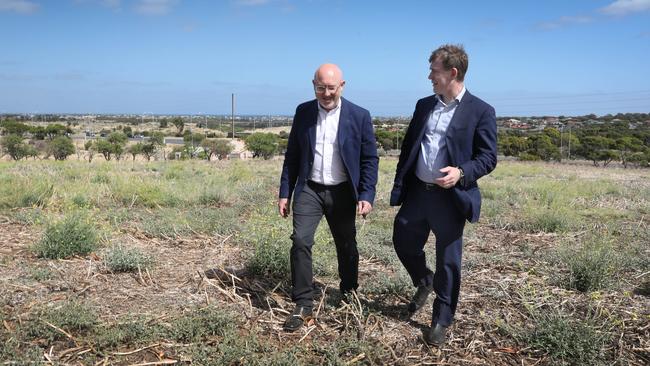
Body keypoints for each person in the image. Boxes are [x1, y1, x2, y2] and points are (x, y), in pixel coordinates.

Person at [390, 44, 497, 346]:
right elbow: (410, 146)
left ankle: (441, 319)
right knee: (402, 240)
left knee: (449, 262)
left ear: (452, 73)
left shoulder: (481, 111)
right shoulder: (424, 105)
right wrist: (400, 184)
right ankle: (424, 280)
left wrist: (462, 172)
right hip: (417, 194)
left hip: (450, 199)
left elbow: (488, 158)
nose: (429, 77)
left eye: (434, 71)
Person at [278, 63, 379, 332]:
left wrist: (367, 193)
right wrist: (285, 192)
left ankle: (348, 293)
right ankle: (303, 304)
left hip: (343, 191)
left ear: (342, 86)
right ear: (314, 85)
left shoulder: (359, 115)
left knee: (347, 245)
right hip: (310, 188)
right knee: (300, 240)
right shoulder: (303, 112)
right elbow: (293, 155)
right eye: (320, 87)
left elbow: (370, 159)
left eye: (331, 87)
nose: (325, 93)